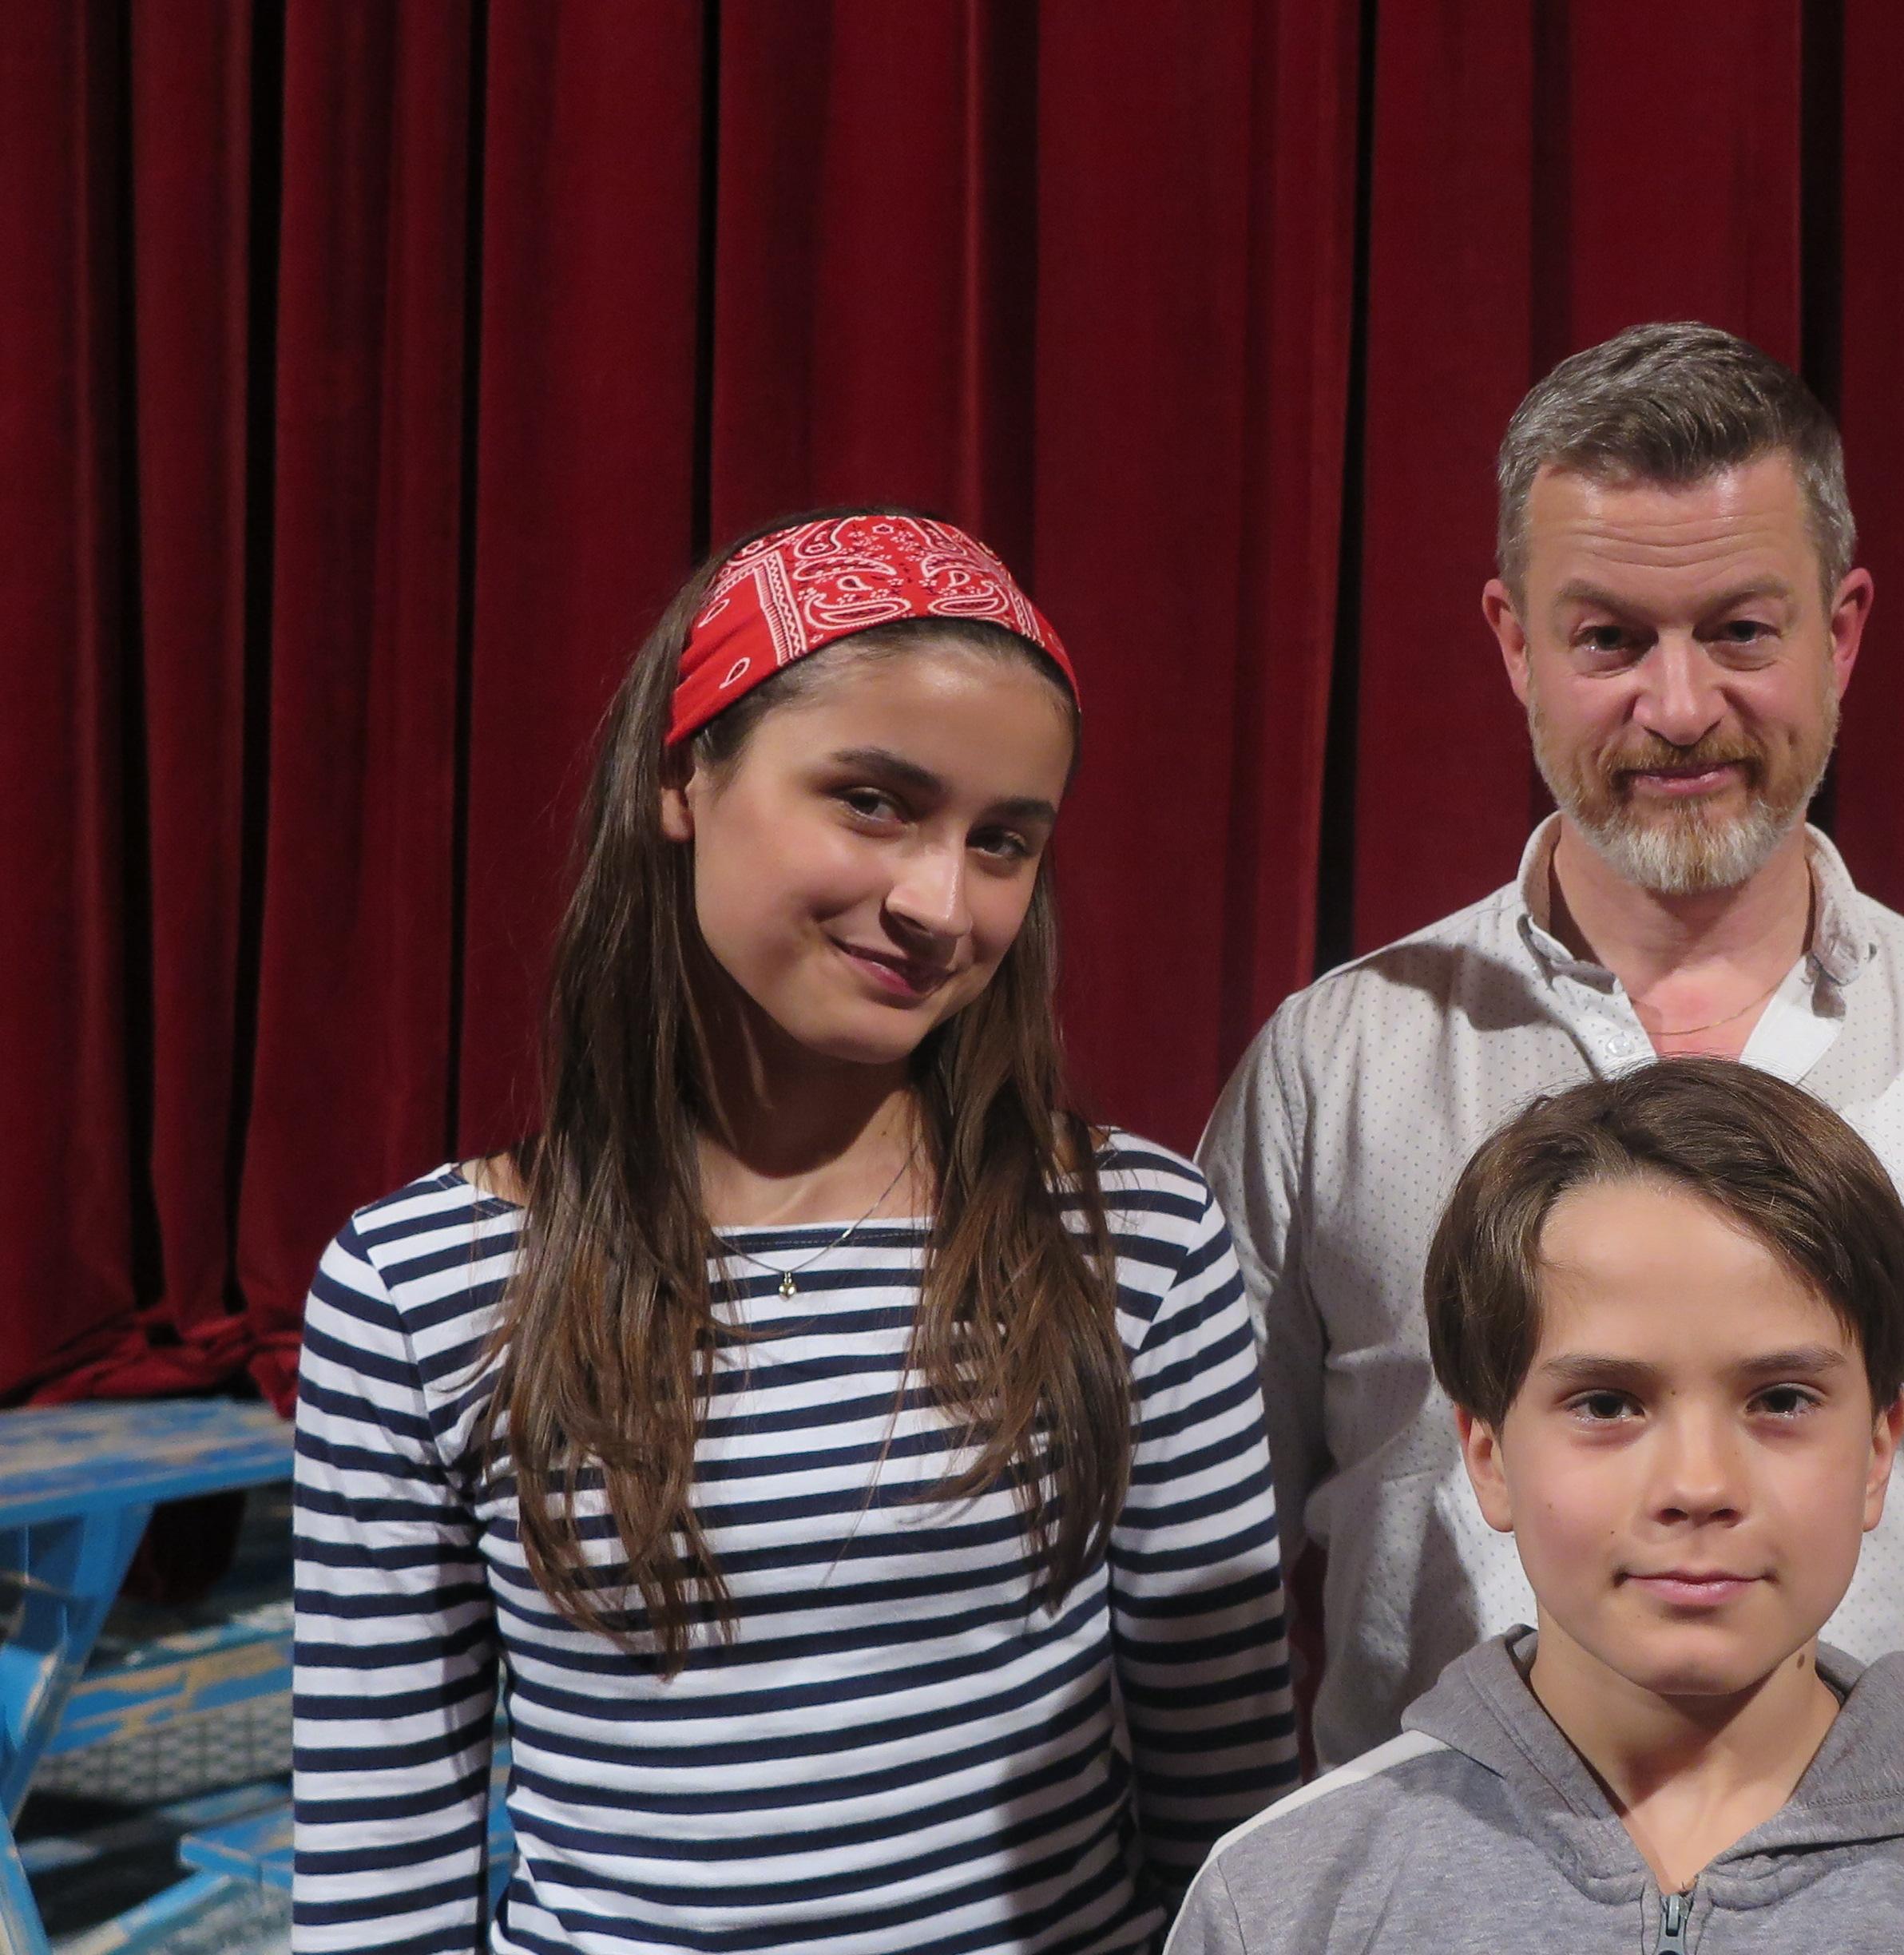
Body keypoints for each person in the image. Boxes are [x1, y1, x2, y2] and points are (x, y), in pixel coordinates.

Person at [1200, 321, 1904, 1940]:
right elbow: (1211, 1571)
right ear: (1513, 642)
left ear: (1842, 631)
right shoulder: (1333, 1071)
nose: (1679, 708)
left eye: (1740, 630)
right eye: (1609, 638)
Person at [291, 510, 1299, 1955]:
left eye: (1002, 841)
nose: (939, 904)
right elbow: (380, 1869)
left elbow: (1233, 1823)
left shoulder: (1131, 1238)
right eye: (873, 802)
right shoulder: (422, 1284)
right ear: (684, 777)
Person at [1168, 1059, 1904, 1952]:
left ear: (1876, 1451)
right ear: (1487, 1456)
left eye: (1780, 1400)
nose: (1698, 1487)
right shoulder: (1283, 1905)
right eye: (1605, 1405)